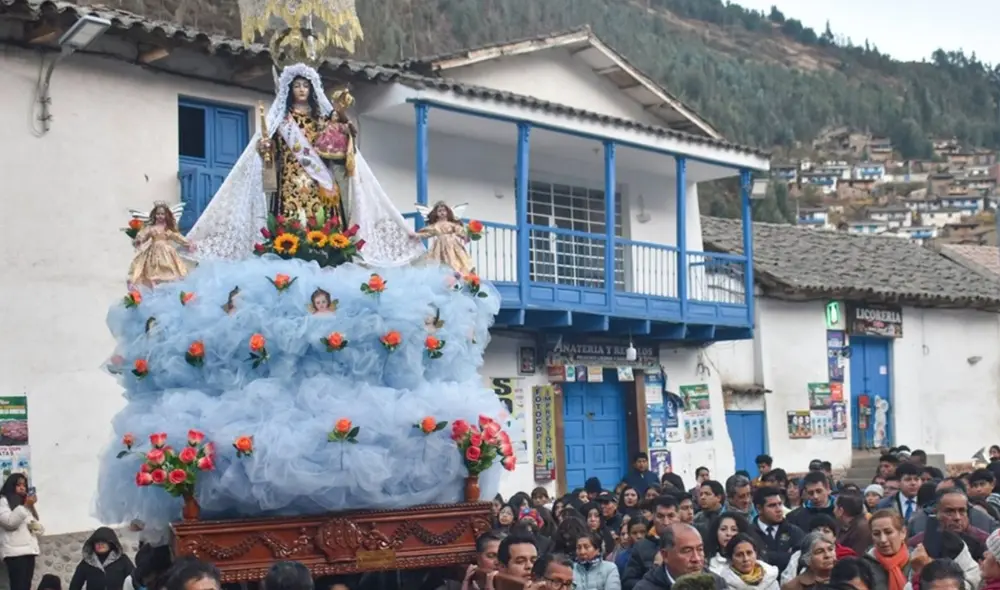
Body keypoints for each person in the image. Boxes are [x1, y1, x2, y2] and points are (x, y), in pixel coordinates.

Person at [186, 63, 423, 267]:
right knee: (291, 220)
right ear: (290, 90)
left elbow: (338, 147)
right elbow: (271, 152)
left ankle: (326, 249)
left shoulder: (322, 119)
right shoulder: (281, 122)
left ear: (312, 90)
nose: (301, 89)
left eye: (305, 86)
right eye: (297, 86)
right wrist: (266, 148)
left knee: (321, 218)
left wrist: (346, 130)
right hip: (289, 180)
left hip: (319, 183)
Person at [634, 523, 727, 590]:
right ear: (665, 555)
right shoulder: (645, 587)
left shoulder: (716, 583)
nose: (696, 559)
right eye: (687, 551)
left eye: (700, 549)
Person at [127, 203, 194, 288]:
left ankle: (168, 286)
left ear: (166, 215)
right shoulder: (151, 228)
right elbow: (143, 236)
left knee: (169, 268)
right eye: (158, 214)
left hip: (166, 252)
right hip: (153, 253)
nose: (160, 216)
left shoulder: (167, 229)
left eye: (162, 214)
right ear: (154, 215)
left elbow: (176, 237)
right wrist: (139, 240)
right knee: (152, 270)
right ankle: (154, 286)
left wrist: (187, 243)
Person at [624, 495, 681, 589]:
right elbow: (628, 582)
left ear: (678, 516)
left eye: (671, 516)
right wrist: (655, 570)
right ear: (653, 518)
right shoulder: (641, 547)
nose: (666, 522)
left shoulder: (690, 542)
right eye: (660, 516)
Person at [0, 473, 41, 590]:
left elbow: (35, 524)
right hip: (15, 553)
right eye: (18, 485)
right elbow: (10, 523)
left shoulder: (24, 503)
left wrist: (38, 528)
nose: (22, 488)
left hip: (29, 550)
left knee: (26, 586)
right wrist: (26, 506)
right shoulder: (3, 502)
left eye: (24, 485)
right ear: (11, 486)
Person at [751, 487, 804, 573]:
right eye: (772, 505)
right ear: (759, 509)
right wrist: (787, 556)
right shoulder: (749, 534)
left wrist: (766, 555)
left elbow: (801, 559)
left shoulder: (794, 532)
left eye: (780, 504)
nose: (779, 509)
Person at [69, 527, 135, 590]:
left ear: (110, 543)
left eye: (103, 541)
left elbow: (134, 579)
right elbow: (75, 585)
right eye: (97, 542)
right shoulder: (87, 562)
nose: (100, 544)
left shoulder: (122, 560)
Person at [863, 510, 912, 590]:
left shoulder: (916, 561)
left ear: (903, 532)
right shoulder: (863, 567)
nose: (883, 539)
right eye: (876, 534)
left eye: (888, 532)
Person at [715, 533, 780, 590]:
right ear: (731, 559)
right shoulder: (724, 583)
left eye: (749, 553)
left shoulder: (770, 576)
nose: (746, 559)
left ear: (756, 553)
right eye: (739, 555)